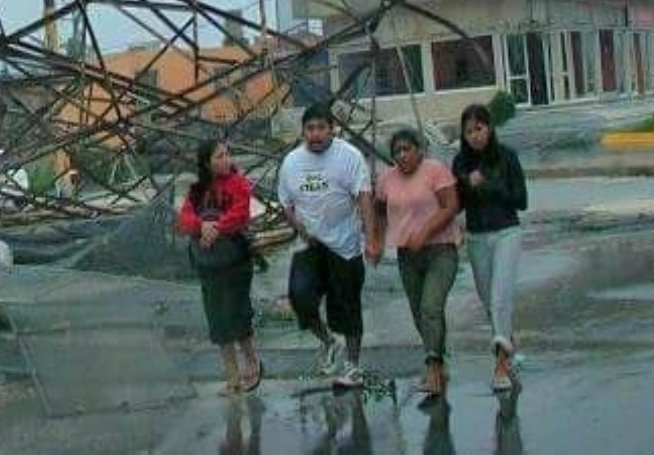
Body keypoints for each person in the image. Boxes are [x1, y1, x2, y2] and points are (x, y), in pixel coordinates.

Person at [277, 103, 378, 389]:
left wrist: (371, 239)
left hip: (344, 246)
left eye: (321, 128)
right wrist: (300, 228)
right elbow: (286, 204)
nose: (316, 134)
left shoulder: (349, 157)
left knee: (347, 307)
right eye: (310, 128)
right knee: (300, 297)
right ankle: (328, 341)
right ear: (303, 131)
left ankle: (353, 366)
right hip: (309, 245)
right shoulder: (292, 162)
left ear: (331, 129)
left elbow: (364, 198)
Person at [374, 128, 461, 397]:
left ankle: (433, 370)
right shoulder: (387, 179)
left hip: (441, 250)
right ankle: (440, 359)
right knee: (419, 313)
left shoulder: (435, 170)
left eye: (407, 149)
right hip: (407, 255)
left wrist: (425, 232)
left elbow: (451, 205)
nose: (402, 155)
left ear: (419, 149)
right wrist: (375, 241)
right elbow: (378, 211)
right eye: (397, 151)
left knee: (431, 307)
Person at [451, 103, 528, 392]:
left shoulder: (506, 157)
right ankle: (509, 344)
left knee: (500, 297)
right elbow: (456, 202)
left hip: (506, 232)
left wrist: (490, 185)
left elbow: (521, 200)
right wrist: (467, 185)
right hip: (476, 237)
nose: (475, 136)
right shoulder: (460, 162)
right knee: (488, 301)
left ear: (490, 127)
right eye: (469, 131)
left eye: (479, 128)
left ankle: (500, 366)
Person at [178, 139, 262, 394]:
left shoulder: (238, 184)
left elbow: (240, 213)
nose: (226, 160)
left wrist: (217, 228)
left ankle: (252, 364)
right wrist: (201, 226)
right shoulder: (197, 190)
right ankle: (232, 376)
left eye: (228, 154)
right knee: (217, 320)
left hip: (234, 261)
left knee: (238, 315)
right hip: (207, 264)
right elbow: (185, 217)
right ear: (206, 163)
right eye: (219, 156)